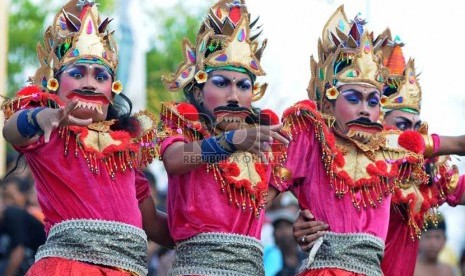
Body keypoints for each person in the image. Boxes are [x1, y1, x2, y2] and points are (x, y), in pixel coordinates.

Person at [268, 5, 465, 275]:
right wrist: (297, 221)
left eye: (373, 102)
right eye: (353, 99)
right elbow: (257, 199)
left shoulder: (408, 164)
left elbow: (448, 150)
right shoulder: (314, 142)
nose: (364, 110)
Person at [1, 0, 172, 275]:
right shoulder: (50, 133)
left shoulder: (124, 151)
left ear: (112, 90)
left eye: (100, 75)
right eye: (78, 74)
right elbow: (11, 129)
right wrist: (43, 117)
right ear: (55, 84)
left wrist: (203, 240)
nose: (90, 83)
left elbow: (150, 223)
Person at [158, 0, 288, 274]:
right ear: (197, 92)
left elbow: (289, 183)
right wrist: (229, 142)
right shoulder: (185, 123)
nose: (233, 96)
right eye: (221, 83)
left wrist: (309, 223)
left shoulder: (266, 140)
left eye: (243, 86)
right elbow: (174, 159)